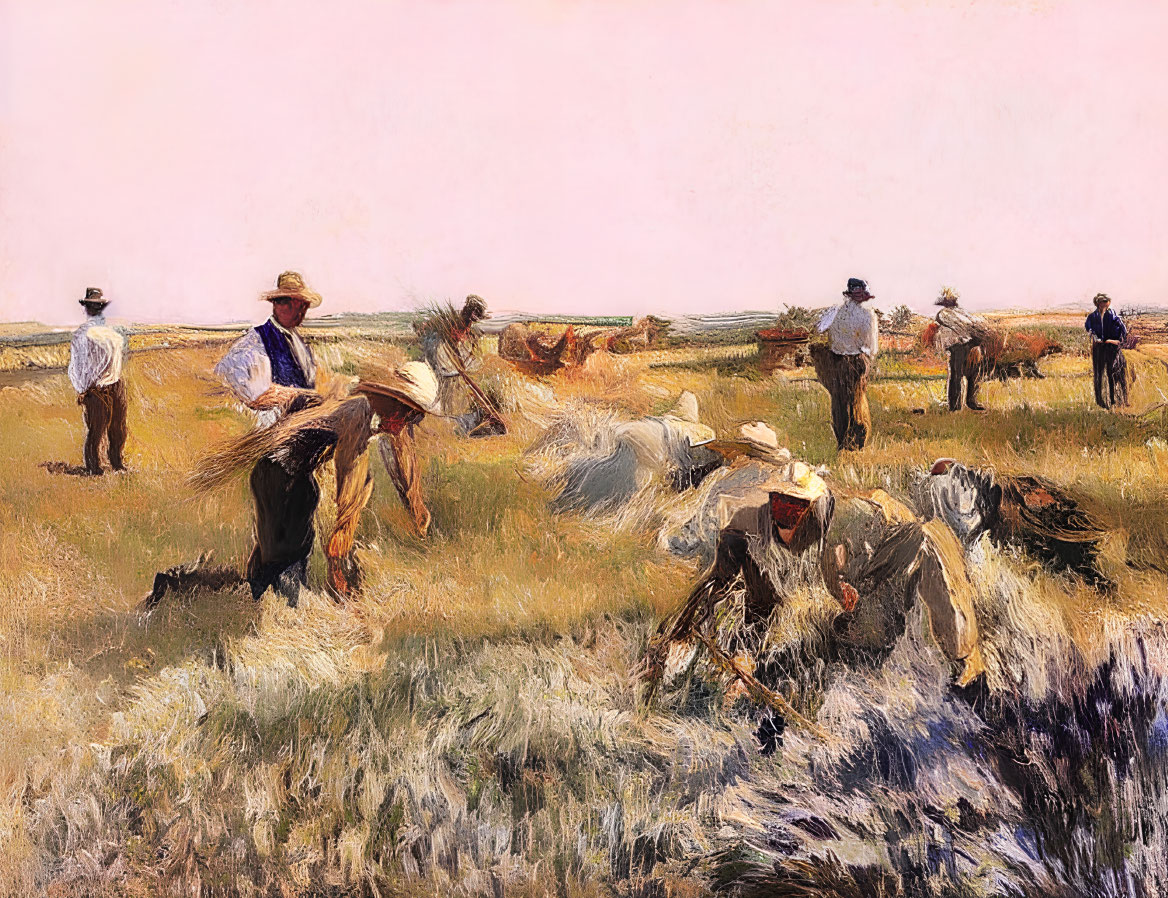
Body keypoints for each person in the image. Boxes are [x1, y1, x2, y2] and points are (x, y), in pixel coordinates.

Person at [214, 271, 374, 604]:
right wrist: (302, 397)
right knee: (281, 530)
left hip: (297, 456)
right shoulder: (255, 343)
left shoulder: (299, 345)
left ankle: (273, 596)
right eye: (295, 305)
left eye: (303, 306)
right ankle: (276, 602)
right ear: (279, 304)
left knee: (299, 514)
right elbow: (257, 396)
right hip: (276, 453)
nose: (301, 312)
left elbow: (309, 389)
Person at [355, 362, 443, 537]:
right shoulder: (355, 409)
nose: (411, 420)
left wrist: (417, 506)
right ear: (394, 398)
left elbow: (405, 461)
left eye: (416, 417)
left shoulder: (397, 419)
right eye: (410, 412)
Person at [812, 277, 879, 450]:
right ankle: (856, 443)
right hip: (856, 361)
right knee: (857, 401)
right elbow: (871, 347)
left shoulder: (835, 311)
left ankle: (842, 441)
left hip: (836, 361)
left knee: (839, 402)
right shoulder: (868, 314)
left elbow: (818, 328)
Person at [67, 287, 128, 475]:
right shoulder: (110, 336)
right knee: (108, 429)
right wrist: (86, 390)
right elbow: (79, 368)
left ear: (87, 309)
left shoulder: (85, 335)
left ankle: (103, 466)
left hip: (102, 388)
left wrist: (82, 390)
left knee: (105, 429)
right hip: (107, 387)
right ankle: (106, 466)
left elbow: (76, 368)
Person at [417, 295, 489, 426]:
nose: (472, 322)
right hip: (447, 369)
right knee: (450, 401)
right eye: (473, 316)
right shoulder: (451, 324)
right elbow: (447, 343)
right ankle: (451, 425)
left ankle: (459, 423)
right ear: (469, 312)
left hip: (456, 373)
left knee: (461, 401)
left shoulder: (467, 329)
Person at [933, 287, 998, 412]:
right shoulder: (950, 313)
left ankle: (964, 403)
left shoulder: (950, 313)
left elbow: (970, 325)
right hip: (961, 346)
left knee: (967, 374)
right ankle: (959, 405)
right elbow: (970, 325)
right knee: (962, 375)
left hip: (964, 345)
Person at [1085, 293, 1128, 409]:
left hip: (1110, 348)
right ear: (1098, 303)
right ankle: (1100, 401)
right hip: (1098, 348)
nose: (1104, 303)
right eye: (1102, 301)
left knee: (1110, 373)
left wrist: (1119, 341)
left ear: (1108, 303)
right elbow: (1088, 328)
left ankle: (1112, 400)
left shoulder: (1113, 315)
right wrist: (1094, 337)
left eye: (1106, 301)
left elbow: (1123, 330)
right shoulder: (1092, 316)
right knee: (1098, 374)